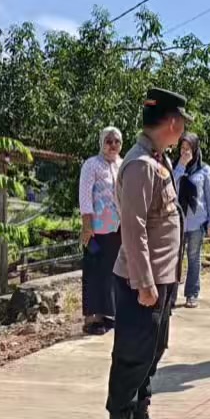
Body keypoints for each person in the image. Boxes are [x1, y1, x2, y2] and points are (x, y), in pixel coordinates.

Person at [106, 88, 191, 419]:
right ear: (172, 123)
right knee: (132, 357)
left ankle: (140, 415)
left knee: (153, 350)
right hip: (141, 282)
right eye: (183, 122)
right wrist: (143, 283)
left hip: (161, 277)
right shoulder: (140, 165)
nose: (183, 129)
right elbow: (133, 227)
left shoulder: (159, 159)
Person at [78, 126, 123, 336]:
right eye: (108, 141)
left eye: (116, 141)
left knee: (112, 272)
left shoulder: (122, 165)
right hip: (96, 230)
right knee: (94, 272)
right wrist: (87, 225)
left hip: (118, 228)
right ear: (102, 143)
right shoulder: (91, 165)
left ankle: (109, 314)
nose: (113, 145)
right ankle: (92, 318)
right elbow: (85, 197)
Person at [172, 132, 210, 309]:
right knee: (174, 260)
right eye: (182, 148)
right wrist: (181, 166)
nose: (185, 152)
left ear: (195, 149)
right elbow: (170, 188)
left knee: (193, 258)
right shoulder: (174, 167)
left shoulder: (204, 169)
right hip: (177, 222)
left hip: (197, 222)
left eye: (188, 149)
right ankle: (170, 296)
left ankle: (191, 294)